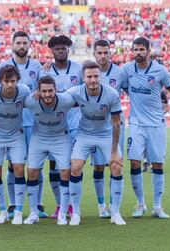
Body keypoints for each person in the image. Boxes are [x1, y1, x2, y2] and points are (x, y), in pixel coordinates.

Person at [121, 37, 170, 219]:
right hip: (136, 123)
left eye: (142, 49)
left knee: (157, 164)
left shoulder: (160, 70)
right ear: (132, 51)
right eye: (136, 49)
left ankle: (157, 207)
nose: (138, 52)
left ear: (148, 51)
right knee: (134, 162)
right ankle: (140, 204)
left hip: (157, 124)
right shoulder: (126, 70)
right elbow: (109, 77)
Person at [67, 61, 125, 226]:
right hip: (84, 134)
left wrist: (114, 151)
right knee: (76, 167)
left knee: (116, 166)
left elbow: (116, 123)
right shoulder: (75, 92)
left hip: (105, 134)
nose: (93, 80)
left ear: (100, 76)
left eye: (95, 76)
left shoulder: (111, 94)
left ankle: (115, 212)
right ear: (83, 78)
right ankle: (76, 213)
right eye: (89, 76)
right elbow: (56, 99)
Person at [0, 31, 47, 218]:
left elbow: (43, 88)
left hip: (34, 122)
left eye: (24, 42)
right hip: (12, 124)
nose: (21, 45)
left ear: (29, 45)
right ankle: (12, 204)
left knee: (36, 165)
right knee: (13, 165)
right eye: (18, 42)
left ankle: (38, 203)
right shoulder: (3, 66)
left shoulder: (37, 66)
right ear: (12, 45)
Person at [40, 35, 83, 218]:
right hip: (54, 126)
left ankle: (73, 205)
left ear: (68, 49)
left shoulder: (79, 69)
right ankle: (59, 205)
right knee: (54, 166)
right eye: (56, 48)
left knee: (73, 166)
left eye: (63, 47)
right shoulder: (45, 72)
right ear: (52, 51)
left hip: (74, 124)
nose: (60, 50)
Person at [23, 76, 75, 225]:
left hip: (61, 138)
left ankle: (62, 214)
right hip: (38, 137)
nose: (47, 94)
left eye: (50, 91)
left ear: (56, 90)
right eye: (44, 91)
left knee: (65, 172)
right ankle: (33, 213)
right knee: (32, 171)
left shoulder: (66, 100)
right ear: (38, 91)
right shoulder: (30, 100)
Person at [0, 65, 30, 225]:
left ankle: (18, 212)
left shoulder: (24, 91)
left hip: (16, 135)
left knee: (18, 169)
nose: (10, 85)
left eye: (13, 81)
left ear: (17, 81)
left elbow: (34, 99)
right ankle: (3, 211)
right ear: (0, 82)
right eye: (6, 81)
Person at [90, 39, 126, 218]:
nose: (102, 56)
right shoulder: (88, 72)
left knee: (115, 164)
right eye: (99, 53)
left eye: (106, 53)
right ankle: (101, 205)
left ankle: (114, 206)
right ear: (94, 54)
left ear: (110, 53)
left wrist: (162, 100)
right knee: (98, 167)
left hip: (115, 125)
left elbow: (133, 90)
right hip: (94, 126)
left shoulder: (119, 73)